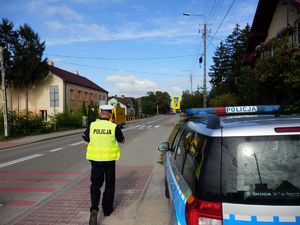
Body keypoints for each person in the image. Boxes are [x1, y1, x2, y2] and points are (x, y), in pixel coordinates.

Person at [82, 104, 125, 225]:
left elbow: (85, 142)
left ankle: (94, 209)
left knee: (95, 184)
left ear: (100, 113)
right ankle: (107, 210)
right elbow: (122, 140)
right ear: (111, 115)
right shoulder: (114, 126)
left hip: (95, 160)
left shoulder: (92, 125)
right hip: (109, 159)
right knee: (109, 184)